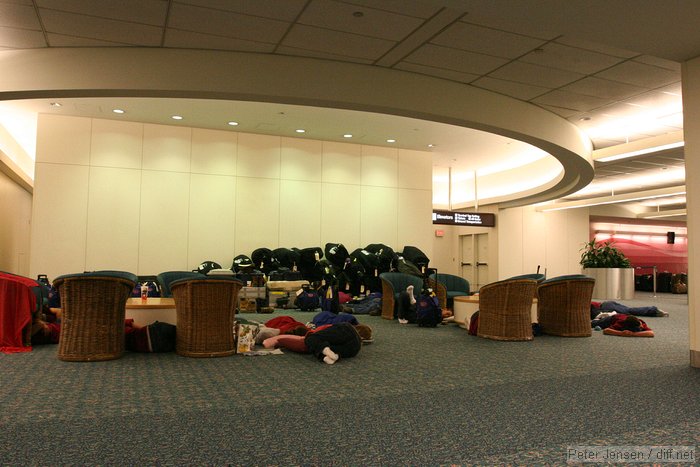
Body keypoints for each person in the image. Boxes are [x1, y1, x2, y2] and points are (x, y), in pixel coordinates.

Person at [263, 322, 372, 364]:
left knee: (311, 339)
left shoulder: (346, 327)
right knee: (336, 349)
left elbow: (319, 333)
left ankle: (326, 351)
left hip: (345, 330)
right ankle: (331, 356)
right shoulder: (357, 346)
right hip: (354, 349)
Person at [590, 301, 668, 319]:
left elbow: (597, 314)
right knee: (629, 310)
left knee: (629, 311)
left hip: (606, 307)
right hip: (607, 304)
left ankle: (654, 310)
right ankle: (654, 310)